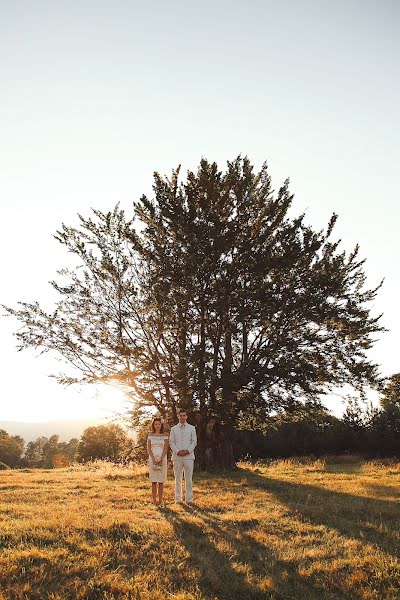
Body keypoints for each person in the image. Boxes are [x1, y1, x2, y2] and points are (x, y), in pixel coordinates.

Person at [169, 409, 197, 504]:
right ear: (178, 416)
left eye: (184, 415)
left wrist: (187, 451)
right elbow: (171, 442)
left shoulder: (192, 428)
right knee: (178, 479)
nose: (182, 417)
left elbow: (194, 441)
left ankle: (189, 499)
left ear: (186, 416)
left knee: (188, 479)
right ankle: (178, 499)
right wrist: (177, 451)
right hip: (177, 457)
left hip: (189, 457)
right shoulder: (173, 429)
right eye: (180, 415)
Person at [147, 417, 169, 505]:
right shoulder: (150, 435)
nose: (157, 426)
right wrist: (153, 458)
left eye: (159, 424)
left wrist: (161, 458)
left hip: (162, 459)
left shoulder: (165, 435)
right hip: (152, 459)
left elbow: (166, 448)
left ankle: (160, 501)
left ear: (161, 425)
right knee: (153, 481)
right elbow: (148, 448)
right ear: (153, 425)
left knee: (160, 481)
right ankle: (154, 501)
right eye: (155, 424)